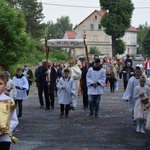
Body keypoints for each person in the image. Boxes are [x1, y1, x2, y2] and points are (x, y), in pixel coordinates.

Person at [0, 73, 19, 150]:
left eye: (0, 84)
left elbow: (14, 119)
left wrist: (6, 130)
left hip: (4, 138)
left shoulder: (9, 101)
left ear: (5, 86)